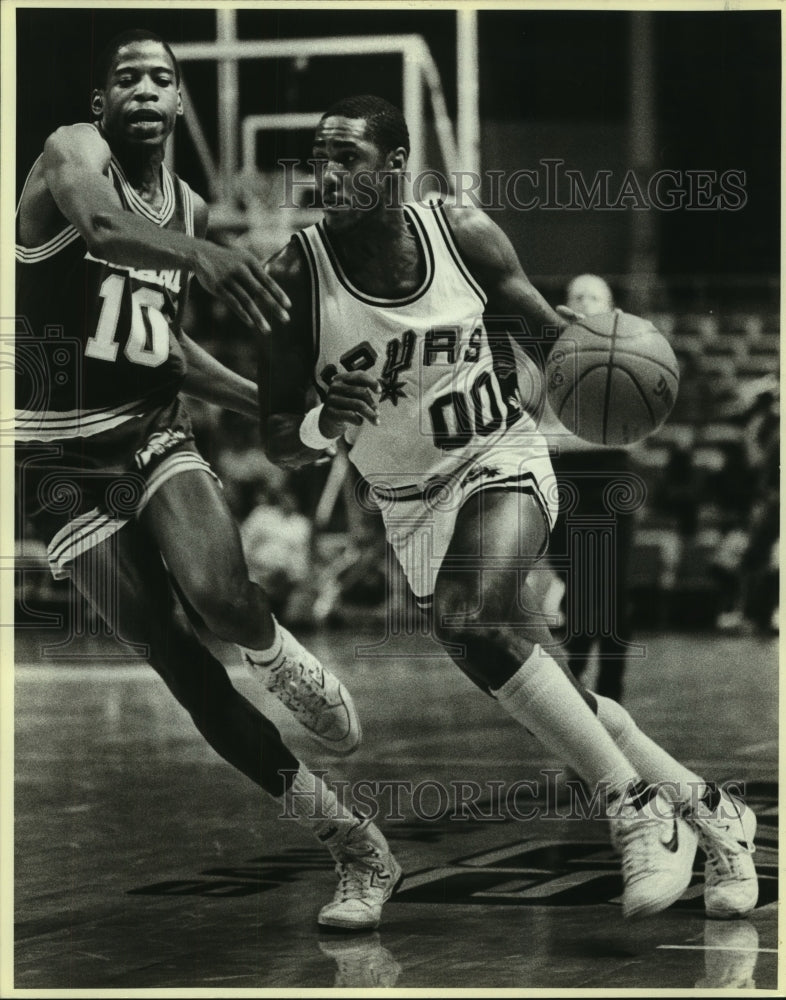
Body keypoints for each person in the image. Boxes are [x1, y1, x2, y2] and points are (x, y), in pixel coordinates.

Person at [258, 94, 758, 921]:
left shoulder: (462, 234)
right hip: (406, 507)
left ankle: (635, 811)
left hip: (500, 461)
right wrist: (323, 420)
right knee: (556, 690)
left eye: (348, 158)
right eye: (319, 158)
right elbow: (277, 432)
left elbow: (546, 330)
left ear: (395, 165)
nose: (328, 174)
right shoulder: (293, 274)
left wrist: (611, 368)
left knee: (471, 614)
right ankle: (716, 818)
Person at [15, 35, 400, 931]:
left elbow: (165, 346)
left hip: (150, 431)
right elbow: (108, 231)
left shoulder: (182, 201)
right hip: (61, 462)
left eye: (162, 78)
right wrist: (211, 258)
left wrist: (293, 409)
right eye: (127, 78)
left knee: (221, 600)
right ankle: (352, 841)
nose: (145, 89)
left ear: (182, 103)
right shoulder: (72, 151)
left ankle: (281, 656)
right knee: (179, 664)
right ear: (102, 99)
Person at [542, 274, 635, 702]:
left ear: (610, 307)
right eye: (575, 295)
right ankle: (576, 677)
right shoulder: (549, 357)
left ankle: (611, 688)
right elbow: (536, 428)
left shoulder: (633, 357)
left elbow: (631, 434)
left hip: (609, 474)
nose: (582, 302)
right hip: (560, 475)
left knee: (612, 587)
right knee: (574, 579)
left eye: (592, 296)